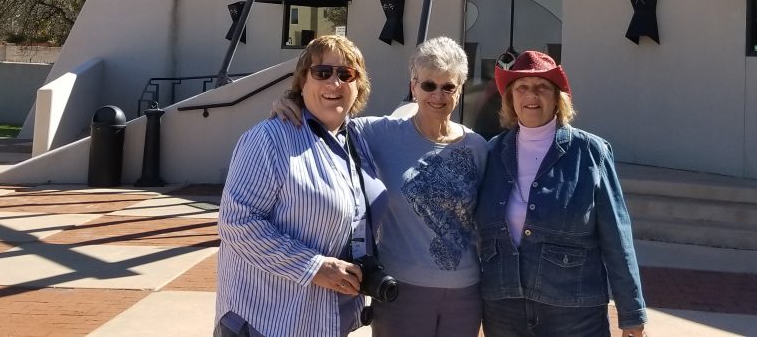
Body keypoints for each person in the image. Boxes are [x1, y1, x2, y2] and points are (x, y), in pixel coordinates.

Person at [273, 36, 487, 337]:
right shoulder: (378, 133)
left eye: (448, 86)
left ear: (459, 89)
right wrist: (291, 100)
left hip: (465, 292)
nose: (438, 95)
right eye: (428, 85)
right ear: (413, 86)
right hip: (401, 291)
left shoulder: (478, 147)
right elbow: (327, 113)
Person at [215, 34, 387, 337]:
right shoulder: (269, 139)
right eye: (322, 73)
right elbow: (237, 223)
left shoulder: (359, 139)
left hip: (326, 319)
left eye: (346, 74)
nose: (334, 82)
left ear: (359, 85)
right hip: (268, 319)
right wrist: (313, 267)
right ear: (302, 81)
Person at [477, 50, 648, 337]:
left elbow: (617, 239)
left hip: (574, 312)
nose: (532, 95)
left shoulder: (591, 152)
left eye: (542, 87)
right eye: (522, 87)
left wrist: (631, 312)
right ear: (510, 98)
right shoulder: (492, 151)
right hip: (504, 309)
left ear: (557, 98)